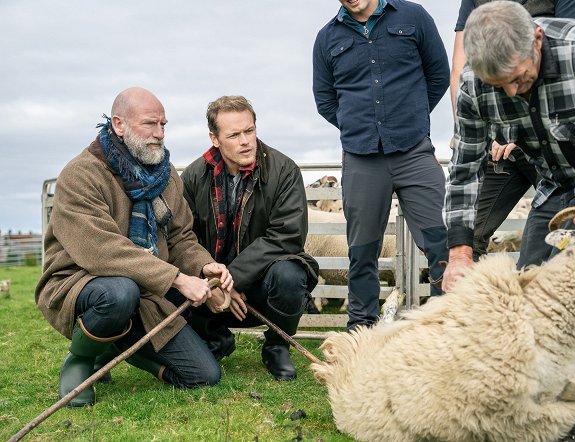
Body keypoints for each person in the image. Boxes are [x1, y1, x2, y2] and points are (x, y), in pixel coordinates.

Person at [443, 2, 575, 440]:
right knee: (528, 294)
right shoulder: (473, 87)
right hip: (555, 184)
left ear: (537, 42)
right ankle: (552, 404)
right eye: (497, 84)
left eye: (518, 78)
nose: (509, 93)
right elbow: (466, 169)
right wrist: (459, 251)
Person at [35, 87, 234, 407]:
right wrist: (177, 279)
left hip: (147, 288)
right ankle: (80, 360)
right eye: (149, 124)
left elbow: (180, 237)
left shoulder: (166, 174)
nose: (159, 134)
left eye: (163, 125)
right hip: (82, 281)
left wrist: (202, 266)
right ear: (118, 124)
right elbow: (101, 250)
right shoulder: (81, 174)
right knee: (119, 294)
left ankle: (112, 346)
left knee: (203, 376)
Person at [313, 0, 450, 330]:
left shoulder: (413, 17)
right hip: (361, 159)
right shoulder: (326, 38)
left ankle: (446, 326)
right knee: (362, 252)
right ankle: (362, 333)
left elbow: (439, 75)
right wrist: (358, 127)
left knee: (438, 244)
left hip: (413, 151)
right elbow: (325, 99)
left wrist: (409, 118)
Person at [450, 0, 575, 260]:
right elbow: (460, 68)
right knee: (463, 237)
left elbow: (566, 64)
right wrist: (481, 129)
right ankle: (462, 296)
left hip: (559, 141)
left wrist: (517, 125)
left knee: (569, 245)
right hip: (499, 142)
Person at [181, 96, 319, 381]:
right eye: (233, 134)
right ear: (215, 138)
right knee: (172, 280)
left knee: (291, 274)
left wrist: (234, 279)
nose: (245, 141)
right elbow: (183, 237)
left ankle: (277, 344)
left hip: (258, 289)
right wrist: (214, 283)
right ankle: (215, 338)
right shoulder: (194, 176)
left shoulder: (283, 170)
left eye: (249, 130)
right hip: (212, 290)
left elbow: (287, 235)